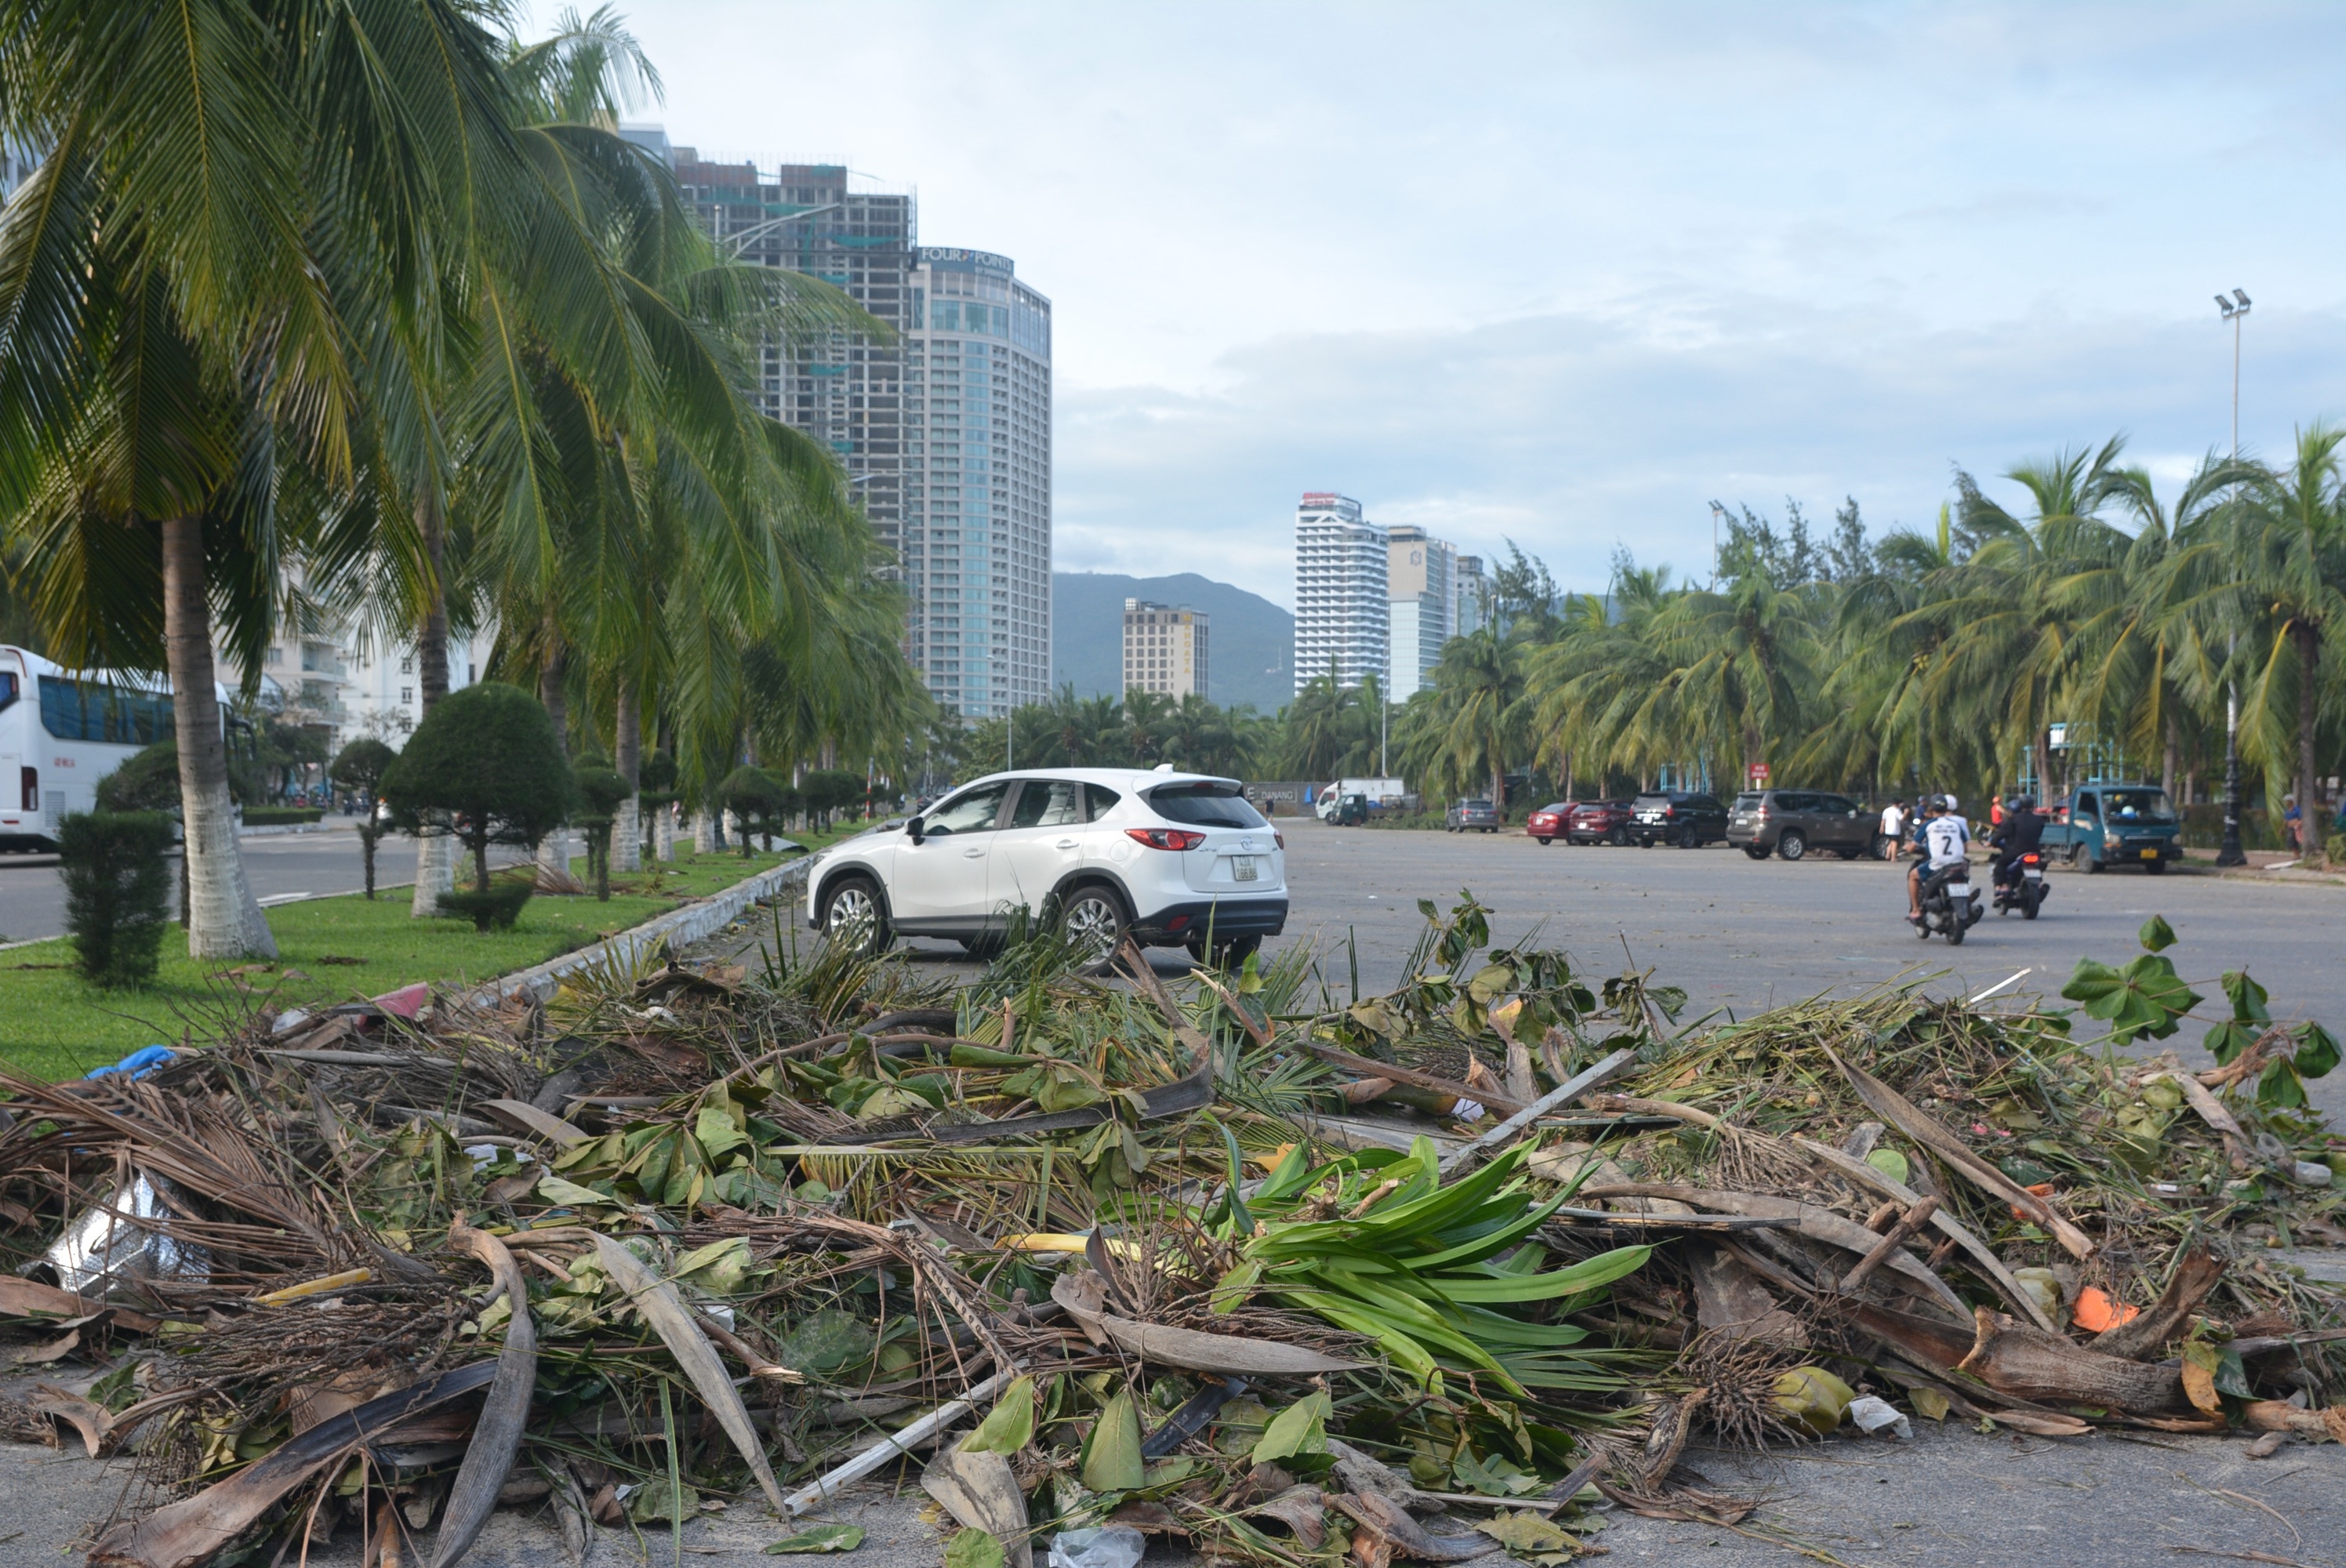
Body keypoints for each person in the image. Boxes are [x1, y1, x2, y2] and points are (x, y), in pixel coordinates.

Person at [1907, 795, 1970, 923]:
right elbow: (1965, 848)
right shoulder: (1955, 824)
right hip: (1959, 863)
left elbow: (1912, 848)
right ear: (1946, 808)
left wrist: (1906, 847)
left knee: (1913, 876)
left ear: (1931, 809)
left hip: (1938, 864)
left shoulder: (1928, 825)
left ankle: (1915, 910)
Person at [1989, 794, 2044, 889]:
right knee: (2039, 865)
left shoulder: (2014, 819)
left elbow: (2001, 833)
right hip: (2035, 851)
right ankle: (2039, 883)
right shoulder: (2039, 820)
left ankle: (2000, 887)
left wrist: (1991, 842)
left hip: (2017, 851)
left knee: (2001, 863)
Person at [1878, 797, 1907, 861]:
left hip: (1888, 829)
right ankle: (1893, 858)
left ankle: (1887, 855)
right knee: (1894, 843)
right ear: (1898, 804)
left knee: (1891, 842)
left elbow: (1883, 820)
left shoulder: (1886, 810)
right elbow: (1902, 819)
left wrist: (1882, 827)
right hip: (1895, 830)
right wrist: (1906, 813)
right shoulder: (1897, 811)